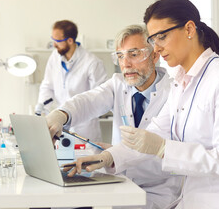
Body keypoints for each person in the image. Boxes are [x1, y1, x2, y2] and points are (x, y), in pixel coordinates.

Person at [65, 0, 219, 209]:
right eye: (153, 40)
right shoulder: (182, 82)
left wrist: (163, 149)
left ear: (189, 29)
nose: (157, 48)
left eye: (162, 37)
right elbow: (152, 135)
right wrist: (107, 157)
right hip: (193, 199)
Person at [47, 24, 183, 209]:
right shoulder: (118, 84)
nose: (126, 64)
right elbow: (88, 101)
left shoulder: (175, 93)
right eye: (120, 56)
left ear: (154, 55)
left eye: (134, 54)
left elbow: (159, 145)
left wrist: (112, 155)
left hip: (159, 192)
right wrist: (61, 114)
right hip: (121, 186)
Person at [36, 20, 107, 141]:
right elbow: (47, 86)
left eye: (57, 41)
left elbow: (100, 97)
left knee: (85, 158)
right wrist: (41, 107)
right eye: (52, 39)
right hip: (60, 122)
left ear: (70, 40)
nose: (54, 44)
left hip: (84, 128)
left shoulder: (92, 62)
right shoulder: (55, 57)